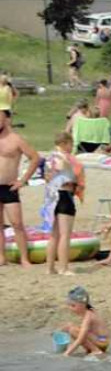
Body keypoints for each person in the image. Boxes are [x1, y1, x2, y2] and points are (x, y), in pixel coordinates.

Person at [0, 108, 39, 268]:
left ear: (6, 120)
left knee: (17, 223)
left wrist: (23, 180)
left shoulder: (16, 140)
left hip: (9, 187)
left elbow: (35, 158)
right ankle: (1, 257)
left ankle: (24, 258)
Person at [44, 131, 85, 276]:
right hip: (64, 195)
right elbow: (75, 176)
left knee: (53, 235)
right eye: (70, 144)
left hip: (51, 196)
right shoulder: (67, 159)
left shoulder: (49, 158)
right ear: (65, 143)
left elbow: (47, 177)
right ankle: (63, 268)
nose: (71, 147)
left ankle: (50, 267)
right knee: (65, 235)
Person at [62, 286, 111, 357]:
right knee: (70, 326)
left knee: (73, 330)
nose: (71, 309)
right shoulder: (90, 309)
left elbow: (80, 338)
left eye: (73, 306)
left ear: (82, 305)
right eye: (69, 306)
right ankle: (91, 349)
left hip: (102, 341)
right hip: (102, 339)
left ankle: (96, 351)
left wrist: (67, 353)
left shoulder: (88, 316)